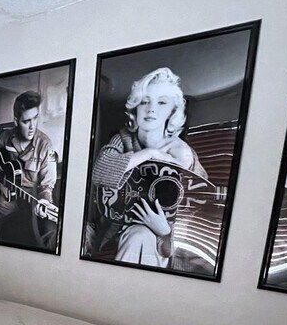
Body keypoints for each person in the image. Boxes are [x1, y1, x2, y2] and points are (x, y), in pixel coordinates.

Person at [87, 67, 207, 267]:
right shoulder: (123, 138)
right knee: (136, 234)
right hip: (115, 226)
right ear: (136, 107)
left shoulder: (182, 154)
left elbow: (192, 214)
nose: (151, 109)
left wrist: (164, 231)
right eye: (145, 101)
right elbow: (99, 173)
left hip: (162, 236)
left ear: (172, 111)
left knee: (141, 235)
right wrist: (150, 154)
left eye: (162, 102)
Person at [0, 90, 59, 243]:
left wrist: (45, 201)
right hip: (10, 195)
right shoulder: (6, 137)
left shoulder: (45, 146)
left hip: (33, 198)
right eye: (26, 121)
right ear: (16, 121)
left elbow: (46, 186)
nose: (32, 126)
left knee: (47, 234)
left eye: (35, 118)